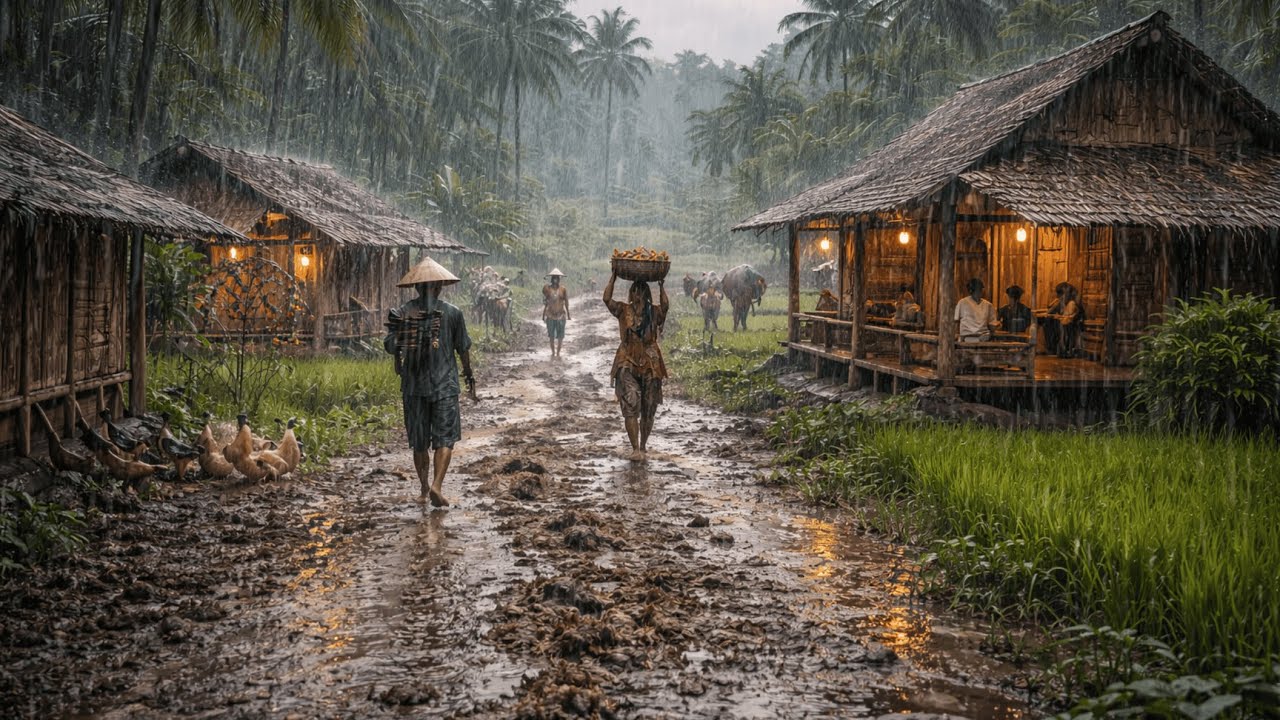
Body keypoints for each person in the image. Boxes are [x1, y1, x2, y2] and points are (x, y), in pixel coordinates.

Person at [385, 256, 476, 507]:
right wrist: (468, 373)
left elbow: (390, 346)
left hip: (414, 388)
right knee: (445, 439)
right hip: (445, 386)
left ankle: (424, 487)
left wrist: (404, 336)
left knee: (419, 441)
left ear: (416, 288)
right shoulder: (453, 313)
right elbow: (463, 348)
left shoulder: (403, 314)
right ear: (438, 287)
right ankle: (437, 485)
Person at [603, 271, 669, 462]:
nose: (638, 295)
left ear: (647, 295)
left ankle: (643, 445)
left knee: (649, 406)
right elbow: (606, 299)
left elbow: (665, 307)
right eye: (635, 291)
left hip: (650, 361)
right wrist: (613, 279)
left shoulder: (654, 312)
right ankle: (635, 448)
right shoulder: (623, 310)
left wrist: (661, 286)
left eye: (642, 292)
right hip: (627, 359)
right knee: (631, 400)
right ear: (631, 295)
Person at [1042, 282, 1084, 357]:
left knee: (1060, 326)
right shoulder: (1061, 301)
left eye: (1061, 294)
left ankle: (1063, 349)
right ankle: (1055, 348)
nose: (1059, 296)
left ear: (1066, 293)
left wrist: (1060, 316)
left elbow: (1069, 316)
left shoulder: (1072, 302)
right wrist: (1054, 303)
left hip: (1071, 324)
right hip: (1064, 322)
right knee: (1048, 323)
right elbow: (1049, 311)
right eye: (1059, 294)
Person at [954, 277, 996, 342]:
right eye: (977, 290)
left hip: (983, 338)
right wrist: (957, 335)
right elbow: (956, 321)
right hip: (966, 338)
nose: (979, 292)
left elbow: (992, 325)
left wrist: (993, 329)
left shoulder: (988, 305)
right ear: (971, 291)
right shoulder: (962, 303)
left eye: (980, 289)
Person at [542, 268, 571, 358]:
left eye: (557, 278)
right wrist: (543, 315)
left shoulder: (563, 289)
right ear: (551, 279)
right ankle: (553, 352)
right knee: (551, 335)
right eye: (554, 278)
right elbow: (545, 301)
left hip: (561, 315)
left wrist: (569, 314)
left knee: (560, 336)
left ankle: (558, 353)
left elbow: (566, 301)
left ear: (559, 279)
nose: (555, 279)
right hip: (550, 315)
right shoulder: (547, 289)